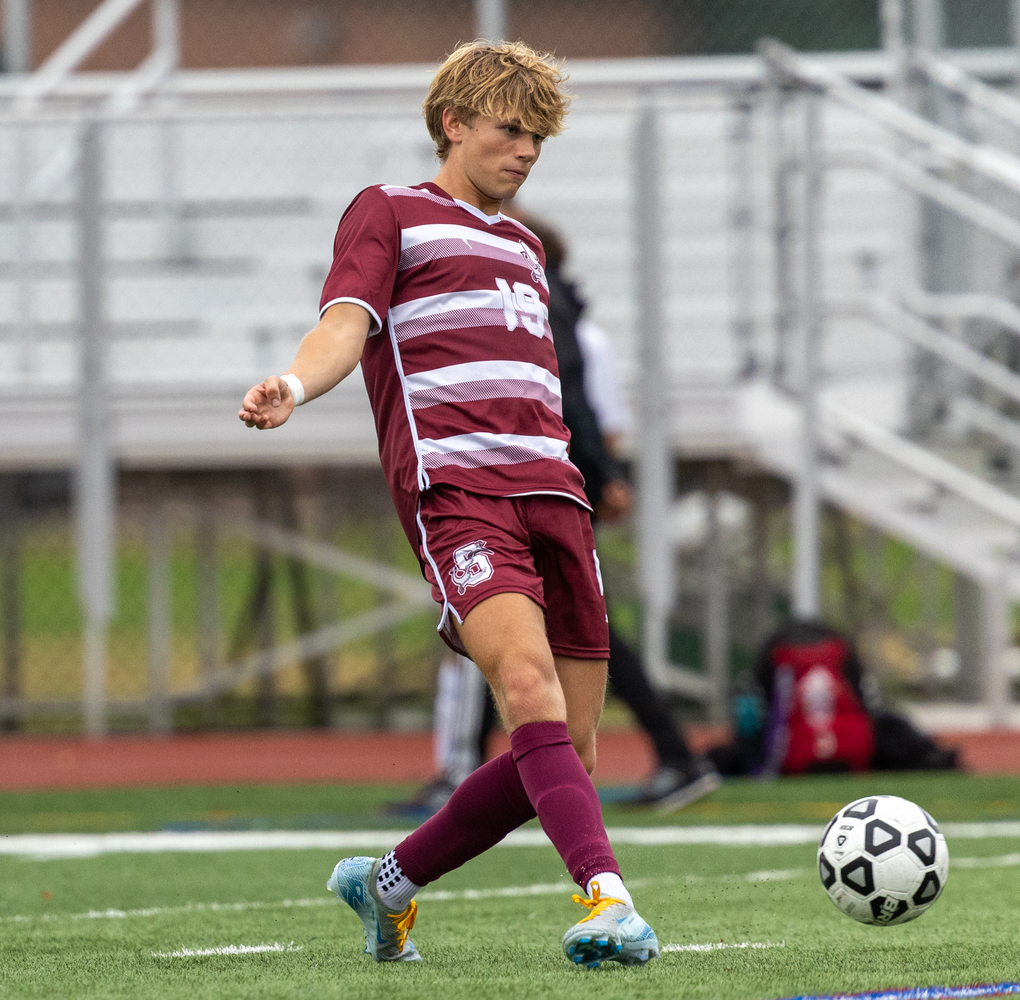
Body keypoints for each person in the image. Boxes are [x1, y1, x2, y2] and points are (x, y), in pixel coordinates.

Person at [238, 41, 658, 968]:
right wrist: (294, 386)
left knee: (569, 755)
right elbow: (344, 324)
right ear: (453, 124)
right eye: (510, 130)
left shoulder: (525, 246)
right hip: (461, 500)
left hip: (559, 500)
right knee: (527, 692)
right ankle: (609, 900)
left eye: (538, 139)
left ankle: (387, 884)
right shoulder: (388, 212)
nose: (526, 151)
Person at [393, 215, 719, 817]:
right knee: (578, 627)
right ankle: (673, 752)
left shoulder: (532, 302)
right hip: (551, 476)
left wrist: (598, 469)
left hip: (527, 480)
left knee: (488, 618)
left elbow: (562, 391)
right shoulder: (554, 306)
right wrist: (606, 471)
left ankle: (463, 769)